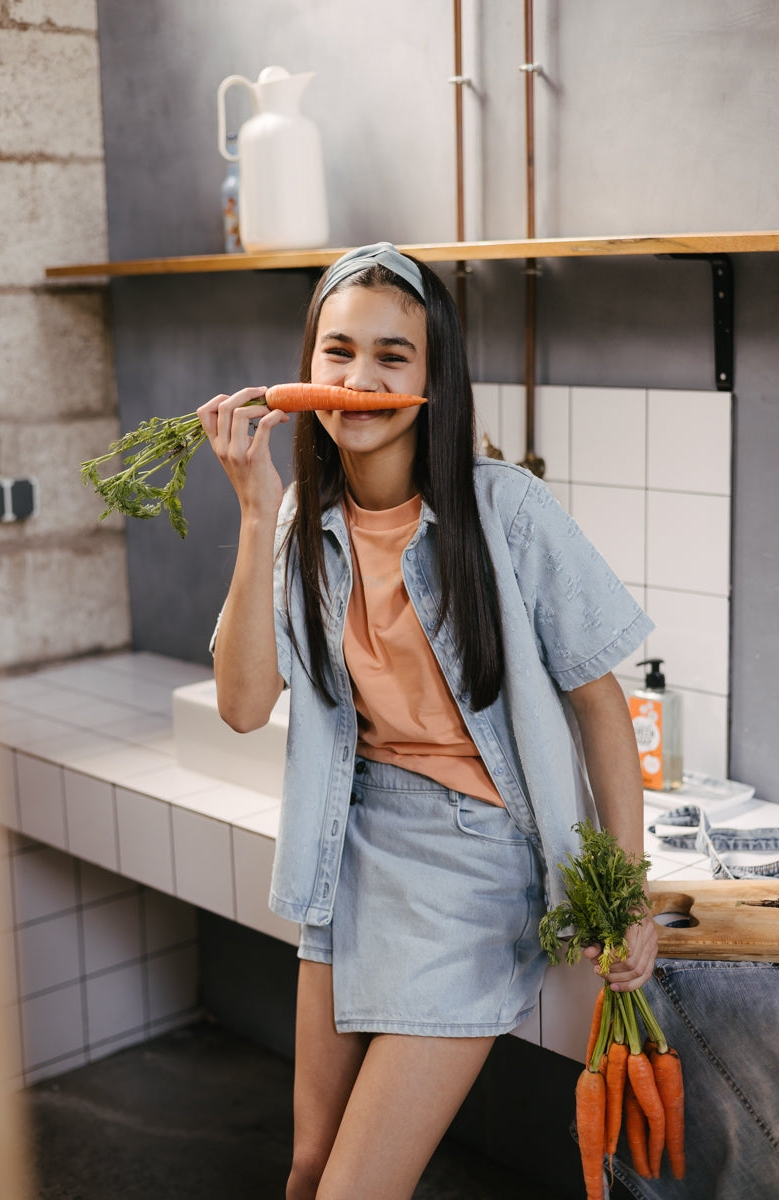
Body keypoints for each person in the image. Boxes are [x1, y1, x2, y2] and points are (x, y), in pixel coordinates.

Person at [197, 242, 659, 1200]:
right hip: (347, 847)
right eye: (337, 352)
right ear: (308, 367)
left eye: (392, 356)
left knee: (353, 1190)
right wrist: (254, 511)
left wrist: (629, 895)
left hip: (471, 862)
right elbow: (243, 707)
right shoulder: (298, 525)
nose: (358, 377)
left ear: (433, 381)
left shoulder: (508, 512)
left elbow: (599, 703)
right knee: (312, 1170)